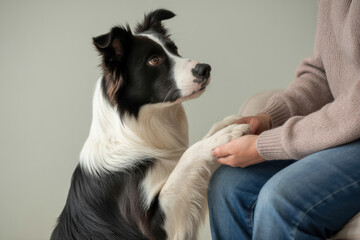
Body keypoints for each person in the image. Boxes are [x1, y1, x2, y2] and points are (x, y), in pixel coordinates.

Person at [208, 1, 360, 239]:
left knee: (280, 201)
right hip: (346, 131)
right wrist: (268, 118)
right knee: (227, 185)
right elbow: (321, 74)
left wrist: (266, 145)